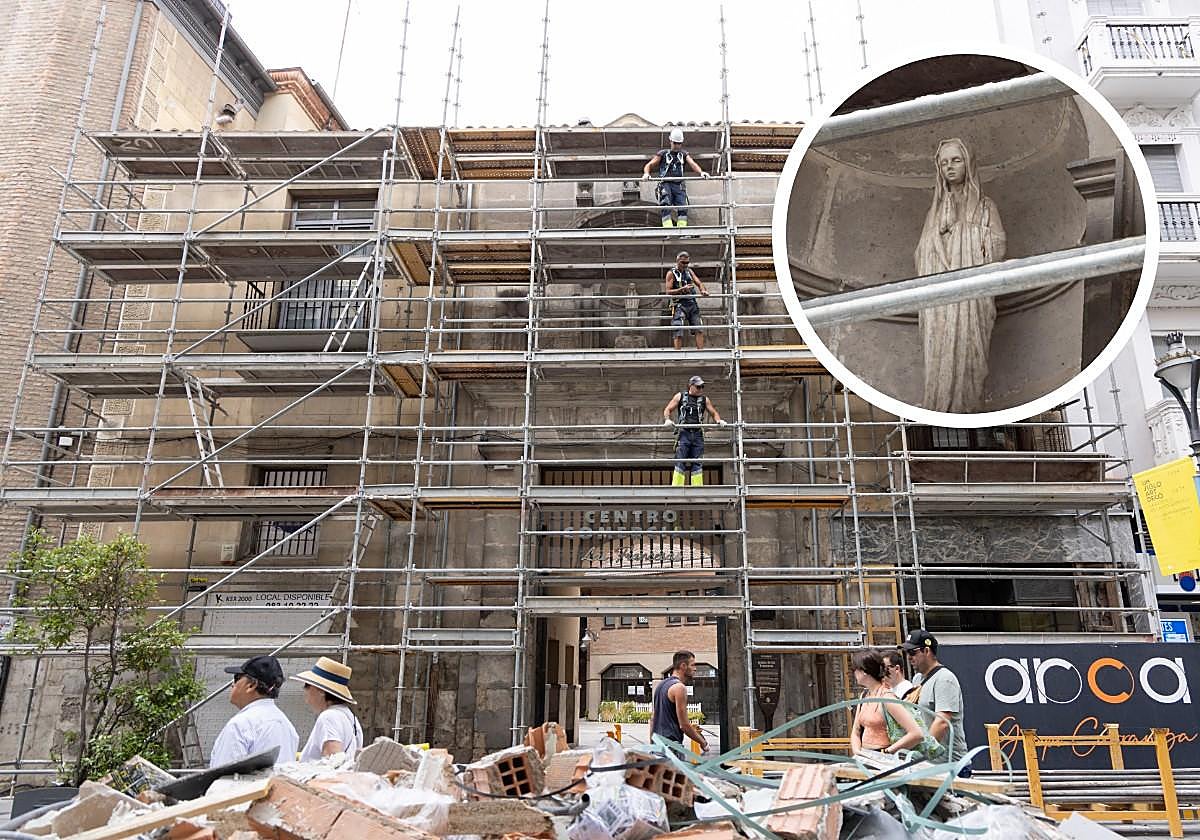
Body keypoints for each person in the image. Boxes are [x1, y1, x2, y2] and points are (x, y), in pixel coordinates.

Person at [913, 137, 1006, 413]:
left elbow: (998, 246)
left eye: (956, 160)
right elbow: (920, 254)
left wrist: (963, 232)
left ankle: (966, 405)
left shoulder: (985, 207)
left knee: (971, 355)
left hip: (971, 298)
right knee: (938, 353)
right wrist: (938, 235)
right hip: (939, 300)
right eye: (944, 163)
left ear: (969, 163)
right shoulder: (934, 212)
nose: (949, 167)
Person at [210, 655, 299, 768]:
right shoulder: (286, 725)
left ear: (251, 685)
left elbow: (223, 774)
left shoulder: (241, 725)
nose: (232, 684)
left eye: (237, 678)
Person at [902, 628, 970, 774]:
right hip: (927, 765)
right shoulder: (917, 679)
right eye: (907, 653)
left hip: (950, 766)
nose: (909, 657)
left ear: (927, 651)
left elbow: (942, 722)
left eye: (912, 652)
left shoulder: (944, 679)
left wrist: (923, 754)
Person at [848, 649, 925, 756]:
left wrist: (887, 752)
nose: (854, 673)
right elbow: (856, 731)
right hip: (865, 756)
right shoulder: (864, 695)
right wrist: (857, 752)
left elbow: (917, 734)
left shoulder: (887, 698)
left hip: (883, 757)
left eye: (854, 669)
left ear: (864, 671)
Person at [292, 656, 365, 761]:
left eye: (308, 685)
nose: (304, 689)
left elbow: (332, 760)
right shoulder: (350, 716)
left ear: (321, 690)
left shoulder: (329, 717)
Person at [663, 375, 726, 487]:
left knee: (697, 462)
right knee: (680, 460)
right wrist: (667, 419)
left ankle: (697, 487)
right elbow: (668, 409)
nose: (700, 389)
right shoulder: (680, 396)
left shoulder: (705, 400)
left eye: (702, 387)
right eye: (698, 387)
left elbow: (713, 412)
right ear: (690, 386)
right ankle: (677, 487)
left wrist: (718, 420)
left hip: (697, 434)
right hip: (684, 433)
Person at [642, 128, 709, 228]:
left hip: (678, 185)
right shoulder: (663, 154)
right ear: (670, 141)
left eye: (679, 143)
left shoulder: (683, 154)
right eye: (675, 143)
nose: (677, 146)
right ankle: (668, 229)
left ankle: (681, 229)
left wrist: (701, 172)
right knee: (665, 204)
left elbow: (693, 164)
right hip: (665, 183)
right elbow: (649, 165)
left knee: (683, 206)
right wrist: (646, 173)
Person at [648, 650, 708, 752]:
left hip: (657, 747)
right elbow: (684, 725)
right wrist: (703, 743)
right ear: (683, 666)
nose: (695, 669)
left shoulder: (660, 685)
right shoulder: (679, 688)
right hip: (672, 748)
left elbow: (653, 719)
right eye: (693, 665)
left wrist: (652, 745)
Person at [664, 251, 711, 350]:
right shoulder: (671, 273)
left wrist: (703, 290)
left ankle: (701, 353)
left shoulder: (689, 271)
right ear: (677, 261)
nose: (685, 265)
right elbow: (668, 291)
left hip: (692, 303)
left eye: (687, 263)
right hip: (679, 304)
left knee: (698, 327)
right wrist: (681, 289)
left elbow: (699, 283)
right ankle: (678, 354)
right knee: (678, 327)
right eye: (683, 262)